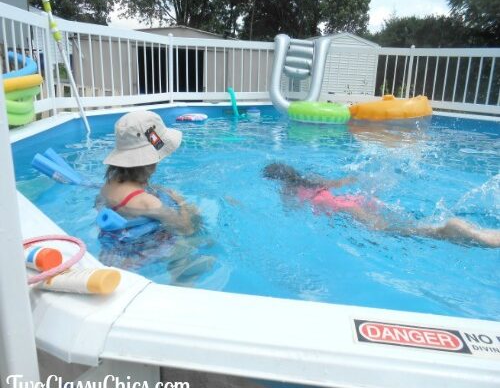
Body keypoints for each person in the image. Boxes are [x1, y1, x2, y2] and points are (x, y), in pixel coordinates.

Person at [263, 162, 500, 248]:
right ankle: (478, 231)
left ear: (278, 182)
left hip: (350, 212)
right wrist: (358, 179)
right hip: (356, 201)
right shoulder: (311, 179)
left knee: (399, 232)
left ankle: (448, 231)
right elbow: (341, 182)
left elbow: (289, 214)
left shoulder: (287, 192)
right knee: (409, 223)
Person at [97, 110, 213, 283]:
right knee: (194, 241)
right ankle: (181, 274)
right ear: (150, 163)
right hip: (138, 254)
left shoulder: (108, 186)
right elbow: (184, 226)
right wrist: (181, 202)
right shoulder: (148, 202)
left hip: (113, 249)